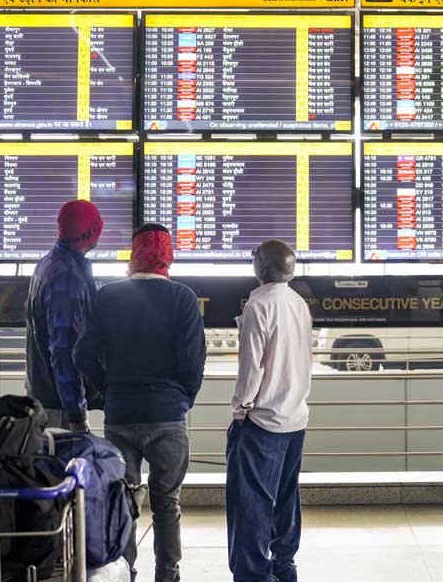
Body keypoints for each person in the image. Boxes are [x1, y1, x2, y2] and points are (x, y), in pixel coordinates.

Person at [74, 224, 206, 582]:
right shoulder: (183, 298)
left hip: (120, 415)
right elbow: (194, 363)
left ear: (133, 255)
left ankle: (125, 572)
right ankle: (167, 575)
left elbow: (82, 353)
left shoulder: (107, 297)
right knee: (167, 504)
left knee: (124, 503)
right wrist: (181, 400)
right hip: (167, 416)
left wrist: (105, 391)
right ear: (169, 257)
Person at [227, 239, 312, 582]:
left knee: (250, 506)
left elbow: (252, 369)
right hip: (295, 418)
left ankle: (253, 575)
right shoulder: (298, 304)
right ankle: (284, 567)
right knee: (286, 500)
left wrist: (240, 408)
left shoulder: (258, 305)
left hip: (261, 421)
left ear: (261, 267)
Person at [25, 199, 103, 432]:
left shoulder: (48, 264)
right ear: (93, 232)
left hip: (45, 398)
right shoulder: (67, 279)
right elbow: (65, 351)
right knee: (63, 468)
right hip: (59, 409)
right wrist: (76, 415)